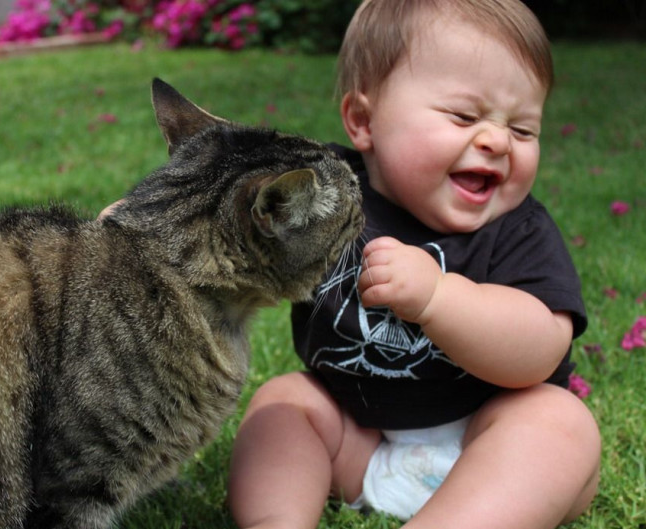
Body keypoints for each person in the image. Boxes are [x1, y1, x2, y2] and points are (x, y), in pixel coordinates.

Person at [226, 1, 601, 528]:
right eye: (464, 116)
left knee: (559, 423)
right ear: (364, 121)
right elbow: (242, 217)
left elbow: (540, 349)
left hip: (486, 447)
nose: (496, 141)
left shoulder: (519, 230)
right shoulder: (327, 193)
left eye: (523, 130)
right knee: (284, 402)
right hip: (358, 438)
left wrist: (438, 298)